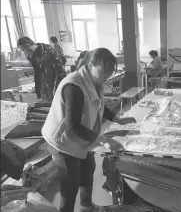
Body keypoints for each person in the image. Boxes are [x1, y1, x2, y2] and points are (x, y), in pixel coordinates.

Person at [41, 48, 136, 212]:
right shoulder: (74, 86)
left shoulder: (93, 81)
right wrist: (104, 140)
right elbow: (72, 127)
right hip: (63, 141)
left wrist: (117, 119)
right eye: (103, 71)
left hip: (82, 137)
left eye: (110, 72)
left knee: (87, 170)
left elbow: (98, 104)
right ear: (90, 64)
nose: (107, 76)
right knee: (69, 186)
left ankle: (86, 207)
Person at [18, 37, 66, 101]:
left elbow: (60, 71)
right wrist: (38, 91)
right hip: (45, 87)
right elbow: (37, 73)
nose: (24, 53)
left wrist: (56, 89)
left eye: (23, 50)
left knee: (58, 103)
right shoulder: (32, 55)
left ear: (28, 46)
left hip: (55, 83)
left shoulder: (47, 50)